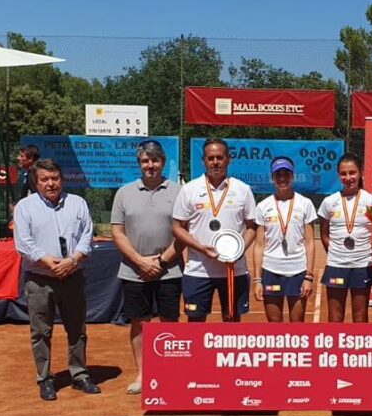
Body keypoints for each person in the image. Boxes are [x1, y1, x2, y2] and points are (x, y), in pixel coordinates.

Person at [13, 158, 100, 401]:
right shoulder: (24, 207)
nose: (50, 184)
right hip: (39, 279)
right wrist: (49, 262)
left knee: (78, 329)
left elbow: (87, 235)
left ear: (61, 179)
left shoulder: (78, 203)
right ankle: (45, 378)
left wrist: (72, 260)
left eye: (55, 178)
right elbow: (23, 243)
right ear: (36, 182)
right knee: (41, 332)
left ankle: (79, 374)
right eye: (44, 180)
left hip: (73, 275)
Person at [110, 140, 184, 395]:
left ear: (163, 162)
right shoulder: (124, 193)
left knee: (169, 322)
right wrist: (140, 261)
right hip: (134, 269)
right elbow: (117, 232)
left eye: (155, 160)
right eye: (145, 161)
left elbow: (183, 233)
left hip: (170, 269)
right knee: (139, 323)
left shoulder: (178, 192)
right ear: (139, 164)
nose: (150, 165)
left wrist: (161, 261)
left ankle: (169, 372)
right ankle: (144, 374)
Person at [171, 138, 258, 322]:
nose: (215, 162)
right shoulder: (189, 190)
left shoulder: (243, 190)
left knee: (232, 321)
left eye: (220, 157)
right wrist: (201, 248)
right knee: (195, 322)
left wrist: (239, 249)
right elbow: (177, 228)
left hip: (234, 269)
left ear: (228, 159)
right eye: (211, 158)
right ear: (203, 160)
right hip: (198, 270)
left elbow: (251, 227)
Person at [253, 156, 318, 322]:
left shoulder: (305, 204)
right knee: (275, 325)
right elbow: (259, 245)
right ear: (272, 177)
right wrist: (257, 280)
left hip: (298, 271)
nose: (282, 178)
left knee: (297, 324)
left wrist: (308, 277)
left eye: (286, 174)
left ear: (293, 176)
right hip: (271, 271)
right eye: (278, 174)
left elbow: (310, 242)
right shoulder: (263, 206)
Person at [318, 153, 372, 323]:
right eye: (343, 173)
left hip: (362, 265)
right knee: (335, 317)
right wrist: (334, 253)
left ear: (360, 173)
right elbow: (324, 233)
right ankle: (336, 350)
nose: (348, 177)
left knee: (360, 317)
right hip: (336, 265)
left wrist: (368, 254)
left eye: (352, 172)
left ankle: (359, 350)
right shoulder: (329, 202)